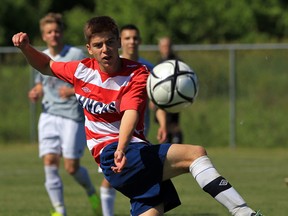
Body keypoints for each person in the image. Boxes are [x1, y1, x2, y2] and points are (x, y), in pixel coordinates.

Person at [13, 15, 263, 216]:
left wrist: (123, 146)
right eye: (98, 45)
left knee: (153, 211)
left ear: (118, 43)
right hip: (113, 154)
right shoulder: (80, 70)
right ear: (89, 49)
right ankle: (244, 212)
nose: (105, 49)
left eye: (110, 42)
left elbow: (131, 112)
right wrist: (26, 48)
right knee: (195, 154)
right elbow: (46, 65)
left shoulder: (137, 73)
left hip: (129, 152)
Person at [27, 13, 101, 216]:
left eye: (57, 31)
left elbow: (90, 82)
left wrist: (71, 90)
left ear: (62, 33)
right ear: (44, 36)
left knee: (71, 167)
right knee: (50, 162)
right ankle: (59, 210)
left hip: (71, 117)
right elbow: (41, 84)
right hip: (48, 115)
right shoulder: (40, 56)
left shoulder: (76, 55)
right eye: (49, 32)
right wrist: (36, 92)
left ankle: (90, 190)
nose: (54, 35)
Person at [98, 24, 168, 216]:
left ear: (140, 41)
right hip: (109, 137)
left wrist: (162, 123)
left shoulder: (148, 69)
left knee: (140, 181)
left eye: (135, 38)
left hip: (136, 136)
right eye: (127, 38)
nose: (132, 42)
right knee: (112, 179)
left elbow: (156, 101)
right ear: (121, 42)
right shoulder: (110, 66)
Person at [156, 36, 183, 144]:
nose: (165, 48)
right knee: (163, 124)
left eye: (167, 46)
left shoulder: (177, 62)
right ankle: (166, 143)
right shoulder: (159, 62)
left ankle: (176, 143)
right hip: (161, 100)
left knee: (173, 124)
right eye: (163, 46)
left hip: (173, 98)